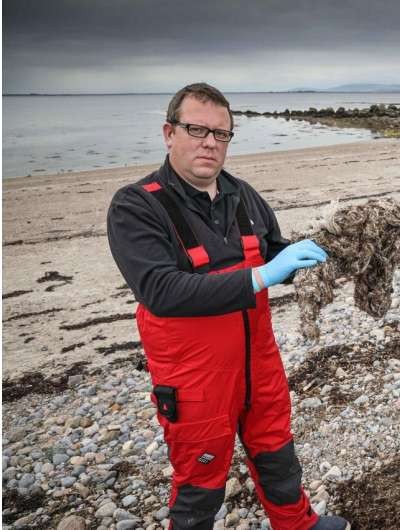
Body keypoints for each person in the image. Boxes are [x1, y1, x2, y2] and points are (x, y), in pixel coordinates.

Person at [107, 83, 350, 530]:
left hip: (260, 361)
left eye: (221, 133)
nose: (209, 143)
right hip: (194, 378)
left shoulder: (244, 195)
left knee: (276, 449)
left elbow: (276, 255)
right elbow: (160, 289)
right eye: (196, 129)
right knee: (200, 476)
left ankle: (297, 523)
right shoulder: (136, 205)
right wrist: (262, 276)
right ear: (169, 133)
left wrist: (328, 255)